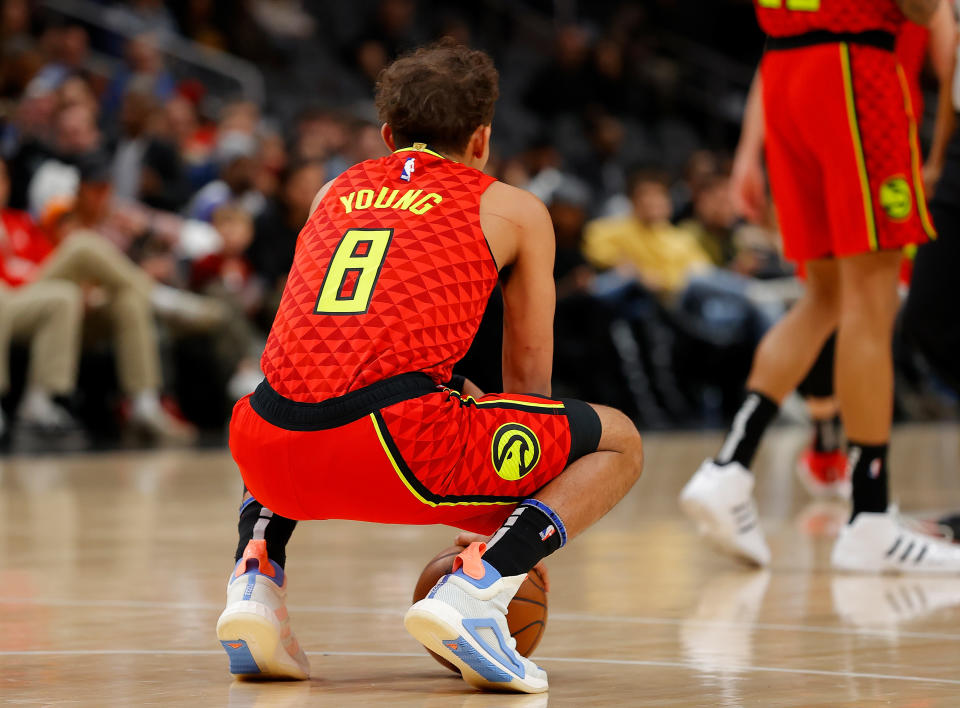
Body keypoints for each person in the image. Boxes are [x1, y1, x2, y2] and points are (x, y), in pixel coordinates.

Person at [216, 40, 644, 694]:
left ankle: (256, 579)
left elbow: (323, 343)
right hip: (394, 444)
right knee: (619, 442)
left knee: (302, 391)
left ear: (388, 135)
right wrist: (521, 533)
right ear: (481, 138)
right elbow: (527, 374)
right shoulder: (513, 206)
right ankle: (479, 587)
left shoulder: (332, 189)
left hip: (263, 448)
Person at [679, 0, 960, 572]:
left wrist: (746, 153)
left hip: (787, 71)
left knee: (826, 296)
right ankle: (871, 518)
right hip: (856, 73)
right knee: (871, 299)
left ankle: (729, 469)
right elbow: (922, 12)